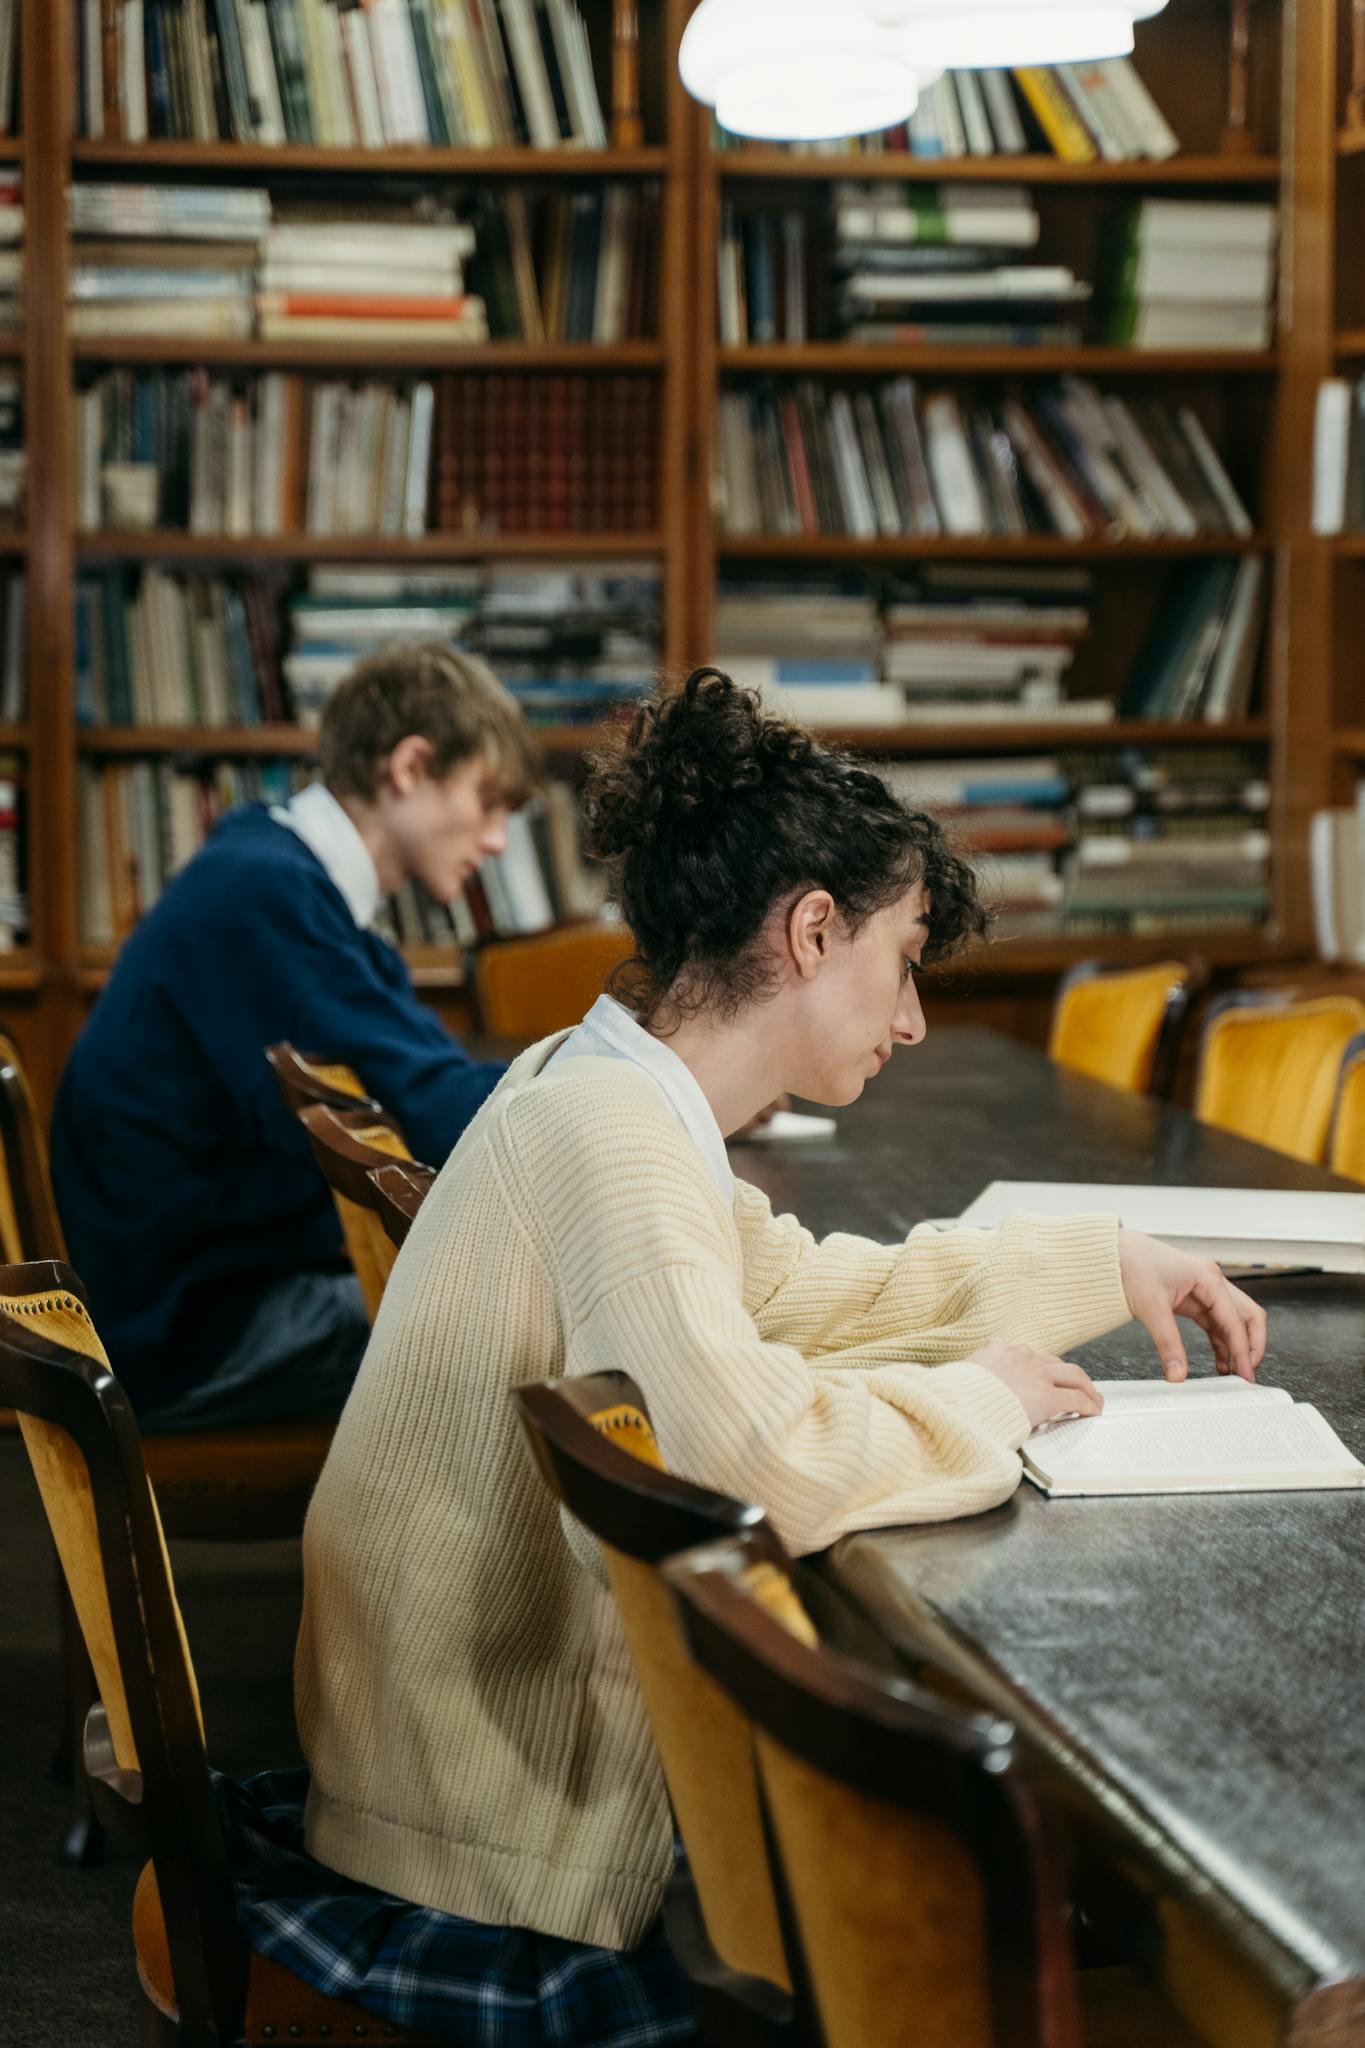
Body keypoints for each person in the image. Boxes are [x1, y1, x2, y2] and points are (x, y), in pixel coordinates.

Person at [218, 668, 1267, 2045]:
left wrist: (1095, 1265)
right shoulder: (614, 1139)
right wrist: (984, 1404)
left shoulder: (593, 1084)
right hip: (479, 1849)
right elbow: (743, 1462)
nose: (911, 1023)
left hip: (440, 1779)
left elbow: (807, 1290)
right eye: (902, 968)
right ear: (814, 931)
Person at [50, 644, 537, 1429]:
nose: (497, 842)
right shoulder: (265, 897)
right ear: (409, 767)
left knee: (519, 1301)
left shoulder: (274, 873)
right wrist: (649, 1073)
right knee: (539, 1335)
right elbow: (435, 1114)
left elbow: (424, 1079)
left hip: (202, 1289)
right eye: (487, 802)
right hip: (195, 1330)